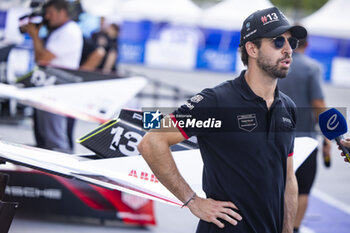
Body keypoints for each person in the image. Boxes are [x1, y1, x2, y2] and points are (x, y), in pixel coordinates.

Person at [138, 6, 307, 233]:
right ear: (252, 49)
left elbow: (288, 179)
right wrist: (192, 200)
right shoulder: (217, 101)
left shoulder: (288, 107)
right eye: (278, 42)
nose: (288, 50)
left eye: (291, 43)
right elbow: (151, 142)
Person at [278, 32, 331, 233]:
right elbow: (318, 104)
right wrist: (328, 136)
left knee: (279, 185)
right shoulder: (312, 68)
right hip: (305, 138)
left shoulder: (277, 64)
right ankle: (294, 228)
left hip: (277, 137)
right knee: (302, 189)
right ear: (307, 44)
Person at [21, 0, 83, 151]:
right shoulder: (60, 31)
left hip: (58, 92)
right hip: (51, 88)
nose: (47, 17)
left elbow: (41, 59)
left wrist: (35, 36)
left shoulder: (69, 31)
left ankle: (62, 174)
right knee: (46, 138)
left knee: (56, 141)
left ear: (62, 12)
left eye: (50, 13)